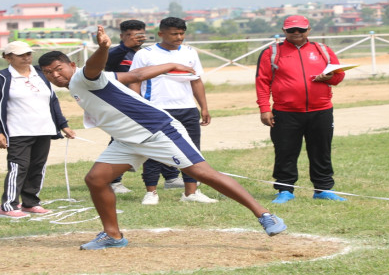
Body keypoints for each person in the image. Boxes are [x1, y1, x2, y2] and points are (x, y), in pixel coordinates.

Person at [38, 25, 287, 250]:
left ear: (71, 65)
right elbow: (135, 76)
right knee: (95, 179)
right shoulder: (83, 82)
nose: (55, 75)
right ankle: (112, 236)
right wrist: (168, 66)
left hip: (157, 131)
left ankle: (265, 215)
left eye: (59, 69)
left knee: (203, 173)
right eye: (49, 73)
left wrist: (103, 48)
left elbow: (93, 66)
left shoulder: (83, 76)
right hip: (128, 140)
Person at [255, 15, 347, 204]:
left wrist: (328, 78)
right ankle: (285, 190)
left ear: (308, 30)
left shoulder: (323, 50)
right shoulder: (271, 52)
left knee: (321, 150)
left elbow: (338, 77)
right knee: (285, 151)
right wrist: (265, 108)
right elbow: (262, 82)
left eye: (301, 30)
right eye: (291, 30)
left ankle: (323, 189)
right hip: (285, 112)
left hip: (321, 110)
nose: (296, 33)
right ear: (284, 31)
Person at [128, 17, 215, 205]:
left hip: (187, 109)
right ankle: (151, 192)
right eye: (174, 33)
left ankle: (190, 193)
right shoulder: (146, 54)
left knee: (192, 151)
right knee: (154, 151)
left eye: (182, 33)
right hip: (157, 109)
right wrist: (139, 106)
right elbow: (134, 79)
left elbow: (196, 80)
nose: (179, 37)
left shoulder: (190, 52)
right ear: (161, 34)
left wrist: (203, 107)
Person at [0, 41, 75, 219]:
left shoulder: (41, 74)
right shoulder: (1, 77)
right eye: (20, 55)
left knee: (37, 167)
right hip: (18, 130)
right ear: (8, 58)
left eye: (28, 54)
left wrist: (63, 125)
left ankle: (30, 202)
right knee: (18, 167)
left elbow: (53, 101)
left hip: (44, 129)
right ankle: (8, 205)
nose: (26, 57)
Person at [106, 19, 184, 194]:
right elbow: (108, 65)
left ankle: (171, 176)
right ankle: (112, 180)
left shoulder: (147, 54)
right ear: (122, 36)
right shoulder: (116, 54)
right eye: (130, 36)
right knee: (120, 139)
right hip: (121, 104)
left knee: (161, 137)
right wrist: (125, 47)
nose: (136, 39)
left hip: (145, 104)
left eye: (140, 35)